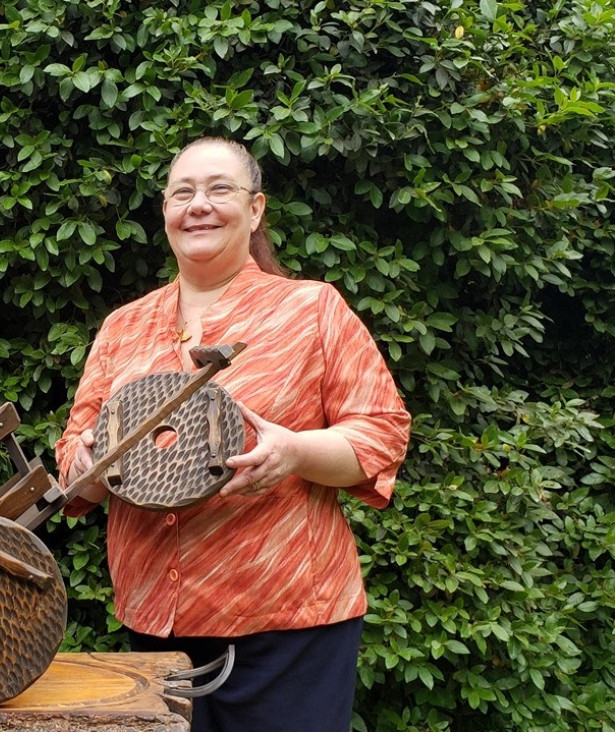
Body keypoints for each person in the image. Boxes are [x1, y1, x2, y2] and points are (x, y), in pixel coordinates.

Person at [55, 137, 411, 731]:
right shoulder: (124, 326)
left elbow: (382, 432)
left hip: (290, 624)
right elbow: (74, 454)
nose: (199, 204)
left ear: (256, 209)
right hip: (157, 627)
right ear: (165, 212)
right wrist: (85, 466)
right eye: (182, 192)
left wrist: (295, 452)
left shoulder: (312, 309)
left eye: (220, 189)